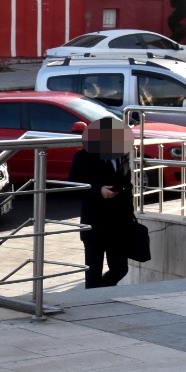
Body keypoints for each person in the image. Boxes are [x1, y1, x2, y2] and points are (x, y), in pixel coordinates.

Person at [68, 116, 136, 288]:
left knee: (120, 269)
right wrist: (98, 191)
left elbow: (127, 183)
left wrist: (129, 214)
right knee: (93, 273)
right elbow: (73, 186)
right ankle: (95, 297)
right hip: (95, 224)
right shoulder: (83, 156)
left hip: (118, 224)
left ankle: (100, 291)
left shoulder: (122, 155)